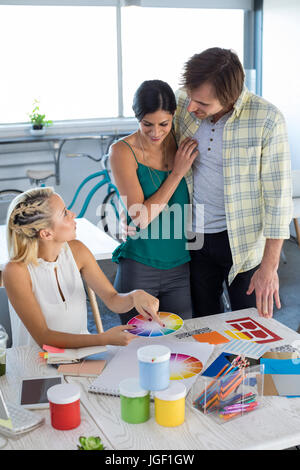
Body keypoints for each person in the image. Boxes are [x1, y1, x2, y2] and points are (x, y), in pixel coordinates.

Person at [173, 47, 293, 319]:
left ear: (230, 98)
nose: (192, 107)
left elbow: (278, 198)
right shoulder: (183, 103)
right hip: (196, 235)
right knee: (204, 323)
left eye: (202, 104)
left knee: (248, 327)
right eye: (191, 98)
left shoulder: (267, 120)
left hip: (244, 243)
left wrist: (270, 267)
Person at [3, 187, 160, 348]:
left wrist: (135, 296)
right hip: (36, 367)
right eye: (64, 213)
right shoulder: (16, 271)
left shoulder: (77, 251)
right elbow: (44, 338)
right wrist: (104, 339)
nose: (73, 214)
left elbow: (112, 300)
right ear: (46, 234)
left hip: (81, 358)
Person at [109, 80, 198, 325]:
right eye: (147, 124)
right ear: (137, 117)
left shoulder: (182, 144)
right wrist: (177, 173)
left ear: (173, 117)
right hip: (139, 267)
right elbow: (140, 217)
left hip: (181, 266)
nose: (156, 132)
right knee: (139, 349)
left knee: (182, 344)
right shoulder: (121, 152)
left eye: (164, 124)